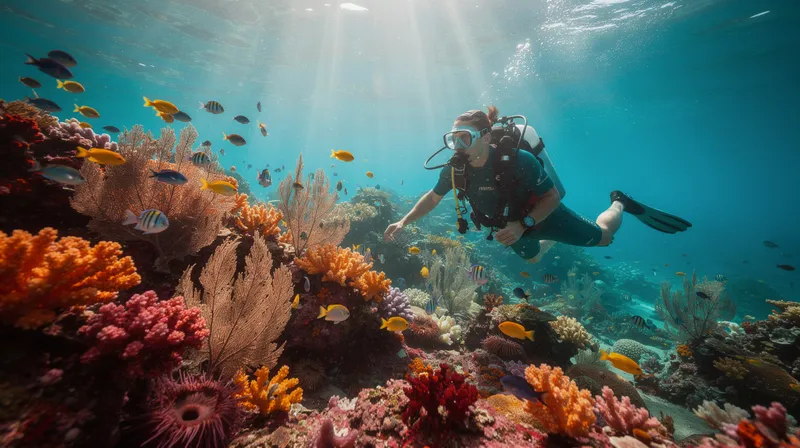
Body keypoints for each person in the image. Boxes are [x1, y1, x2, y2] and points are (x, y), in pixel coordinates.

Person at [383, 106, 691, 262]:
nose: (457, 146)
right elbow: (434, 198)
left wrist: (524, 224)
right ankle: (549, 239)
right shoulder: (456, 169)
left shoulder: (519, 160)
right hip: (507, 228)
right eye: (453, 139)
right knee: (532, 258)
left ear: (486, 137)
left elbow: (553, 196)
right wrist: (404, 220)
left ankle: (619, 201)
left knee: (604, 239)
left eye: (464, 138)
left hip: (542, 215)